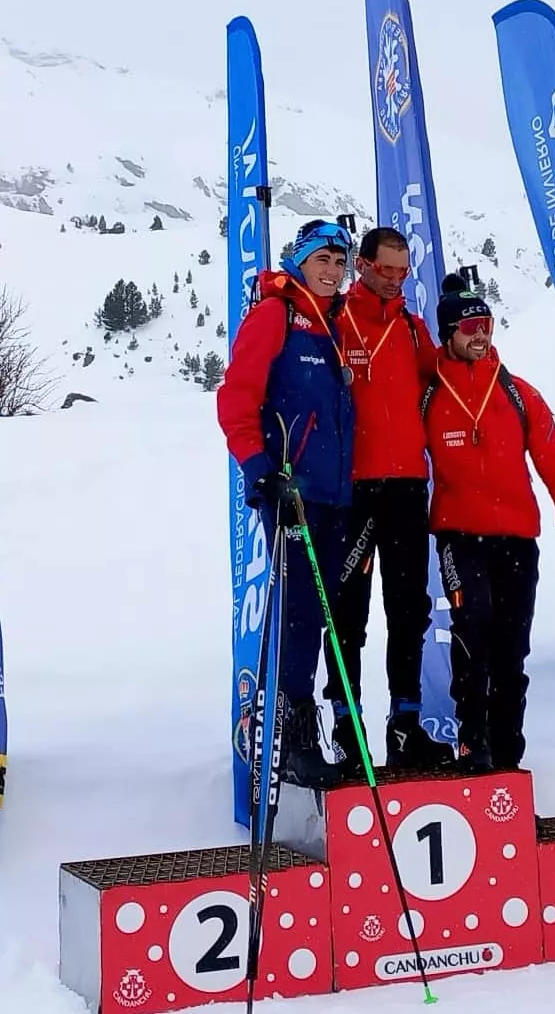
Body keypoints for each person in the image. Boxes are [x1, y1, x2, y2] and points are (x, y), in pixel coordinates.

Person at [420, 274, 555, 773]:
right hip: (458, 536)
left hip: (518, 540)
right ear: (449, 333)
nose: (481, 335)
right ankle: (473, 748)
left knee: (511, 653)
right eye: (470, 326)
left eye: (487, 325)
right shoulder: (429, 395)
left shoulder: (520, 395)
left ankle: (507, 764)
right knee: (471, 635)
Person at [216, 219, 356, 789]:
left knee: (319, 615)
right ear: (299, 259)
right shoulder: (276, 314)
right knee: (298, 613)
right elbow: (236, 399)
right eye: (322, 258)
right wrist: (261, 472)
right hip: (292, 491)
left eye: (340, 262)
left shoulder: (332, 324)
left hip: (334, 495)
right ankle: (291, 737)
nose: (332, 270)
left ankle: (299, 729)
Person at [323, 227, 452, 776]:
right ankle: (347, 733)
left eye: (404, 272)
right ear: (363, 265)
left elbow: (445, 385)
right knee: (347, 616)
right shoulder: (333, 321)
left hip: (404, 489)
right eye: (386, 270)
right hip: (353, 490)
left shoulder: (411, 328)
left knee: (409, 611)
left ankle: (405, 725)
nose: (395, 280)